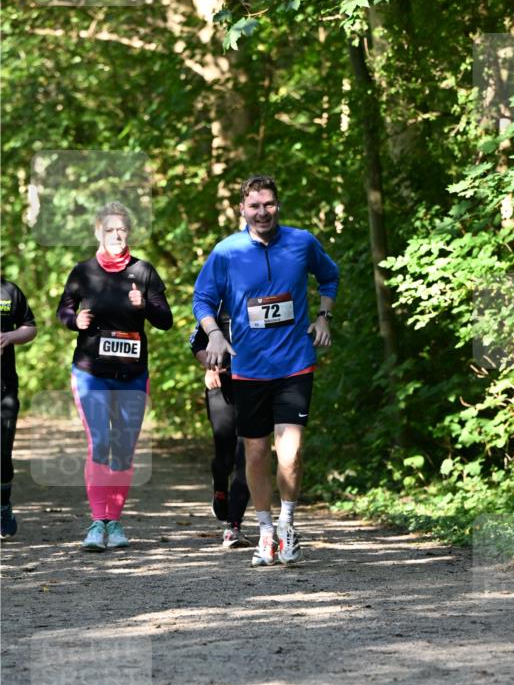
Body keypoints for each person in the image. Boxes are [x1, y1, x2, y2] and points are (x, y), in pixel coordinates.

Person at [192, 174, 339, 567]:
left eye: (269, 204)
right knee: (256, 454)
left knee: (290, 452)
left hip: (294, 365)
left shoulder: (302, 242)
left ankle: (288, 525)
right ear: (242, 209)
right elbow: (203, 299)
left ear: (278, 206)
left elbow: (329, 275)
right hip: (249, 369)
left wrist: (323, 317)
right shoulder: (227, 252)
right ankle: (264, 532)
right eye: (254, 206)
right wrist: (215, 337)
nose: (262, 212)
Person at [57, 201, 173, 551]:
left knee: (123, 448)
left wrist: (145, 306)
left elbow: (165, 320)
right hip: (91, 372)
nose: (117, 236)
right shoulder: (84, 272)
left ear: (129, 233)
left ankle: (115, 523)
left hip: (132, 374)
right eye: (110, 230)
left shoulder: (144, 271)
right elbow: (64, 308)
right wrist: (72, 321)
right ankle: (97, 522)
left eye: (122, 230)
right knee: (100, 443)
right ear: (98, 233)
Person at [190, 304, 251, 548]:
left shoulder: (265, 295)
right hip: (220, 383)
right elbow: (196, 342)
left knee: (246, 454)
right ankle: (219, 487)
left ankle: (234, 526)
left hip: (256, 385)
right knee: (225, 454)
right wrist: (209, 365)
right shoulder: (217, 303)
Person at [0, 277, 37, 538]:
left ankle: (3, 506)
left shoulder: (9, 290)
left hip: (4, 389)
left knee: (2, 452)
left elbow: (30, 327)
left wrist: (10, 336)